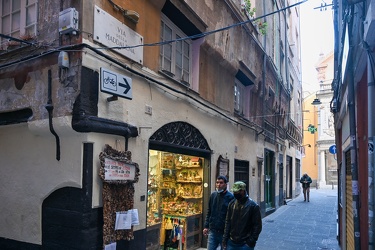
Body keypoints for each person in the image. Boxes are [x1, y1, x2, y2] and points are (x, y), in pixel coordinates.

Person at [222, 181, 262, 250]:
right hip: (231, 242)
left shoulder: (253, 206)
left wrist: (251, 241)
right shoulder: (231, 204)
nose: (234, 193)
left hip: (245, 244)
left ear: (243, 191)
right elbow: (228, 222)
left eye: (236, 192)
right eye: (234, 191)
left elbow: (257, 226)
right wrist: (225, 239)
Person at [203, 175, 234, 250]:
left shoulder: (231, 197)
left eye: (221, 183)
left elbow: (232, 216)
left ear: (226, 184)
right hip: (213, 231)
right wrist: (206, 226)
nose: (218, 185)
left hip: (224, 233)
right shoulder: (213, 195)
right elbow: (209, 211)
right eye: (217, 182)